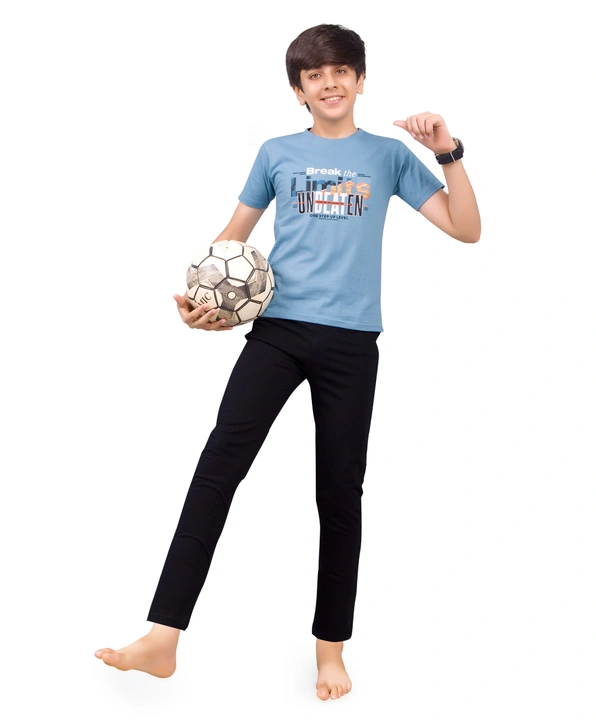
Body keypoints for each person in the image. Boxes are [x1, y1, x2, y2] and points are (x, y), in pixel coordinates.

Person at [95, 23, 481, 701]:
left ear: (361, 80)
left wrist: (447, 151)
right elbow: (229, 241)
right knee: (217, 470)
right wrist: (200, 304)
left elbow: (466, 228)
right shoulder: (276, 153)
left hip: (351, 343)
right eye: (314, 76)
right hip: (277, 333)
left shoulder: (389, 156)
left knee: (339, 492)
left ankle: (330, 651)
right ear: (298, 91)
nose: (329, 83)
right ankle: (162, 637)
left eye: (341, 71)